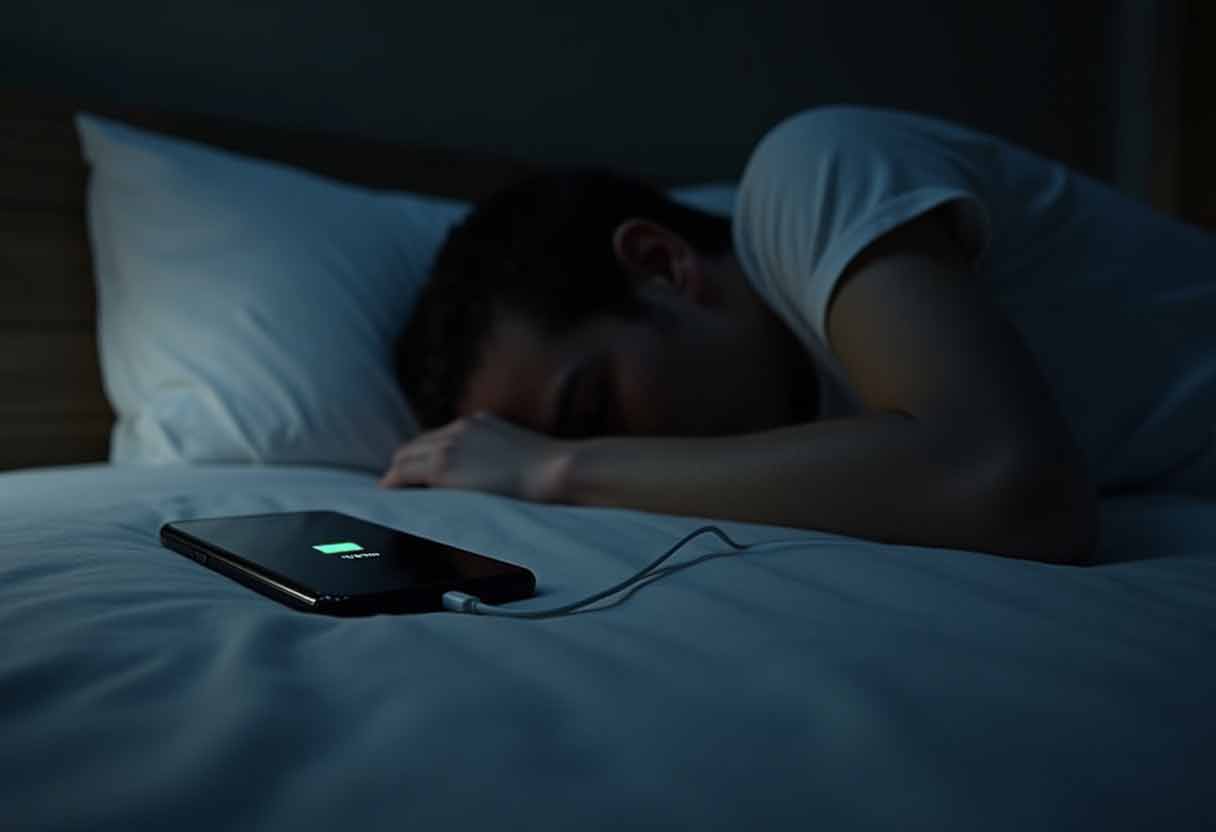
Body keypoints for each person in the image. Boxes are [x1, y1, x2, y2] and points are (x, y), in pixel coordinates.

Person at [380, 105, 1216, 566]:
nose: (619, 457)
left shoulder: (814, 171)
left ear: (665, 267)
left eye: (593, 402)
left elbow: (1010, 487)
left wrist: (554, 468)